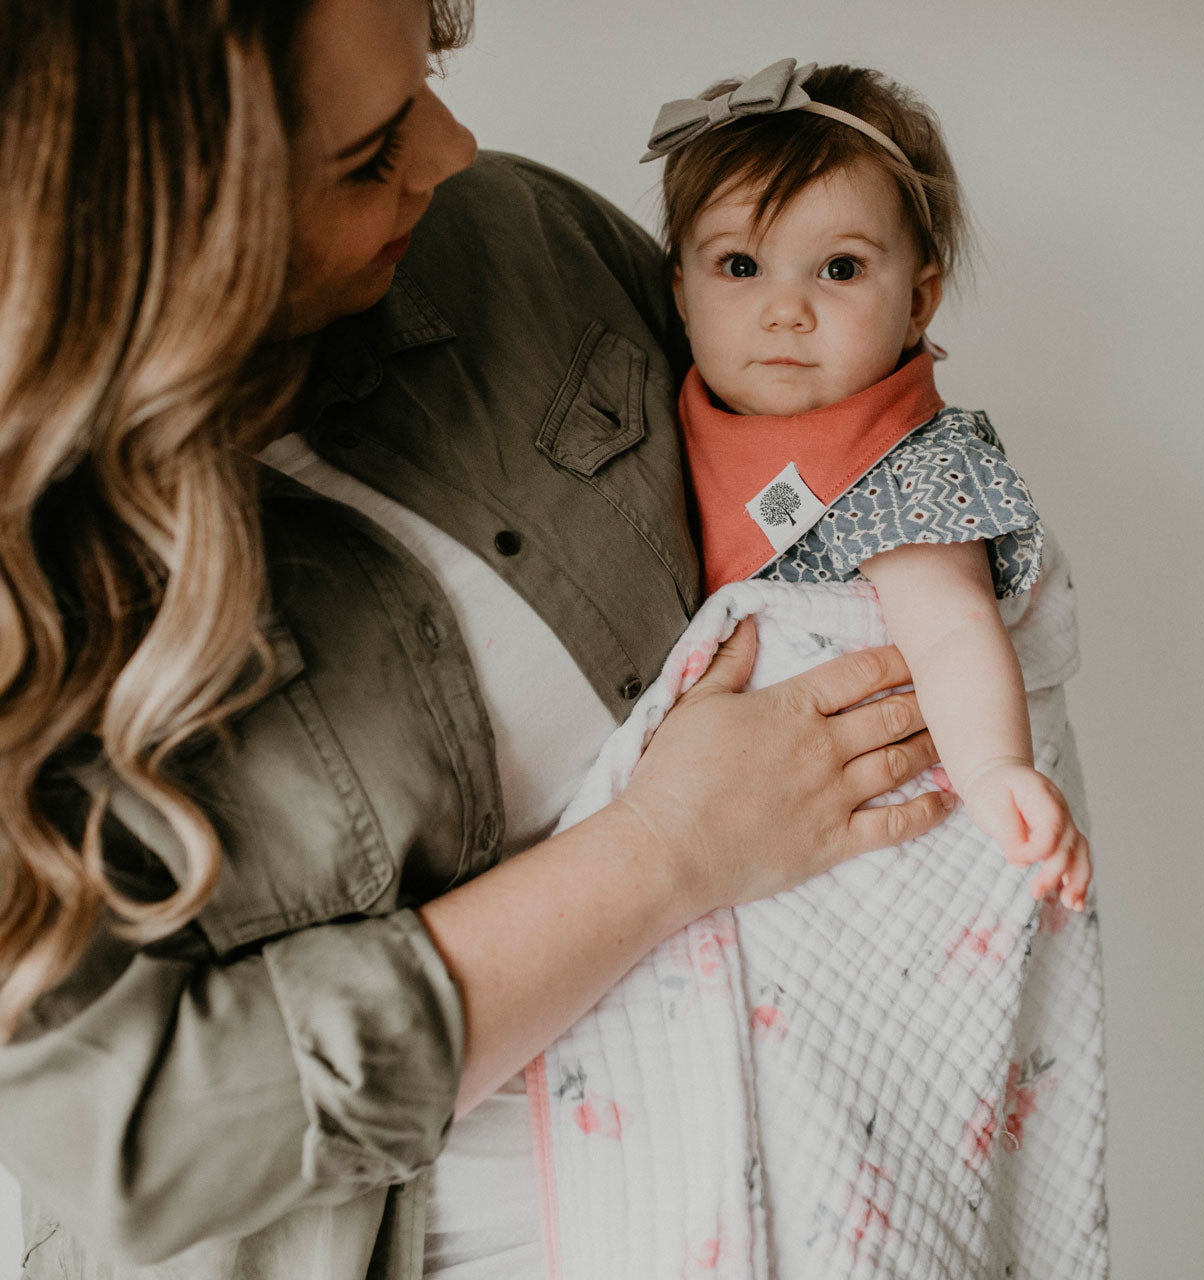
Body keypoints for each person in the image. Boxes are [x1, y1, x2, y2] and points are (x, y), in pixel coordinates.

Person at [0, 5, 955, 1278]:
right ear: (152, 236)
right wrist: (661, 852)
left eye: (430, 75)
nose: (452, 148)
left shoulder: (520, 240)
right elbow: (135, 1138)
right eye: (367, 152)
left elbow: (828, 465)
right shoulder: (33, 604)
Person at [642, 58, 1093, 908]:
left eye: (839, 269)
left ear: (918, 303)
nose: (785, 310)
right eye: (740, 267)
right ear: (681, 291)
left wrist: (996, 767)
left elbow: (954, 632)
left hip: (855, 835)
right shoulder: (659, 417)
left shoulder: (905, 466)